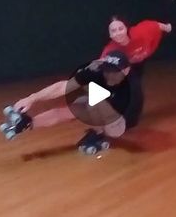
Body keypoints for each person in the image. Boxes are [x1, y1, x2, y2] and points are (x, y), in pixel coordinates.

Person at [13, 51, 144, 152]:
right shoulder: (97, 71)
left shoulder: (132, 91)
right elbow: (62, 87)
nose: (109, 74)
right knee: (71, 109)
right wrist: (31, 98)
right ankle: (28, 123)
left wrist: (98, 129)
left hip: (122, 121)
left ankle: (97, 133)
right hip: (104, 101)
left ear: (126, 71)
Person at [100, 17, 172, 77]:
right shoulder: (110, 50)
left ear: (126, 28)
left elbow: (157, 25)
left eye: (121, 29)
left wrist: (167, 28)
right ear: (110, 35)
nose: (118, 33)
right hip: (130, 62)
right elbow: (100, 65)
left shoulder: (142, 31)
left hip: (147, 51)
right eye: (113, 31)